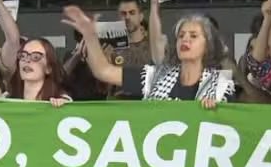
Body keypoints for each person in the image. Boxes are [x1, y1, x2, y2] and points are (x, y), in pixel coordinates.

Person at [62, 6, 235, 105]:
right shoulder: (155, 76)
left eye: (194, 36)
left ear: (208, 46)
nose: (185, 39)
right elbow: (104, 71)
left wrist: (216, 113)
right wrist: (90, 35)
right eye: (181, 36)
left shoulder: (221, 85)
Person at [5, 38, 70, 106]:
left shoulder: (63, 100)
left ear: (48, 68)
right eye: (23, 56)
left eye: (36, 57)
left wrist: (64, 107)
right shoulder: (6, 98)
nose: (27, 60)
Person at [115, 0, 152, 68]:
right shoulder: (112, 49)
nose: (127, 17)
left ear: (141, 16)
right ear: (118, 18)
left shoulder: (153, 47)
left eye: (132, 13)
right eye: (123, 13)